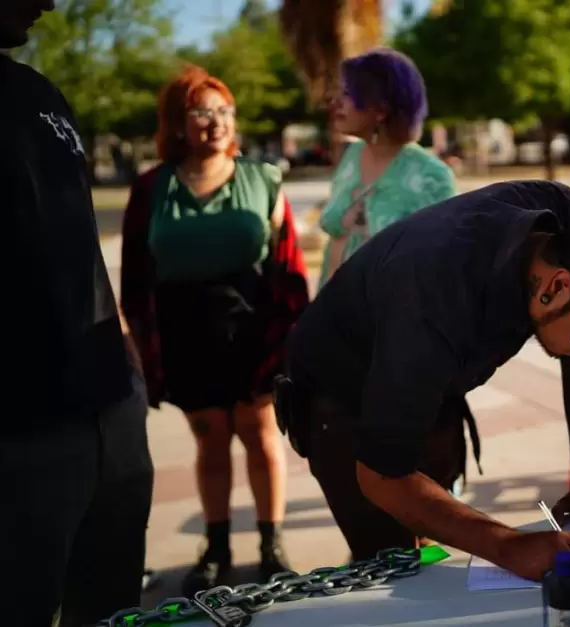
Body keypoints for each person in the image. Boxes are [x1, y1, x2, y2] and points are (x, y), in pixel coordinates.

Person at [278, 180, 570, 581]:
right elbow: (381, 476)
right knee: (395, 571)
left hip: (428, 376)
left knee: (433, 544)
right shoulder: (433, 303)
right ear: (556, 287)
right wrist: (506, 545)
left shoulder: (565, 227)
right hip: (342, 397)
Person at [120, 65, 310, 594]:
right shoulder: (151, 188)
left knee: (259, 434)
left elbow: (290, 268)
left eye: (223, 111)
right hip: (184, 335)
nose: (215, 121)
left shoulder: (264, 179)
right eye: (201, 112)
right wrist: (136, 345)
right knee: (210, 440)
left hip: (256, 329)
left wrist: (294, 343)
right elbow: (135, 277)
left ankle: (272, 546)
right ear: (177, 124)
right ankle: (217, 545)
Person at [0, 2, 154, 625]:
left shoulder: (38, 90)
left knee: (113, 611)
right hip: (19, 437)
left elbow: (74, 238)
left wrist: (124, 355)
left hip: (110, 413)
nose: (51, 3)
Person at [317, 48, 456, 289]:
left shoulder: (432, 176)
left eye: (348, 93)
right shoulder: (350, 157)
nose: (335, 101)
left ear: (380, 109)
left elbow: (443, 266)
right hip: (332, 316)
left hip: (394, 320)